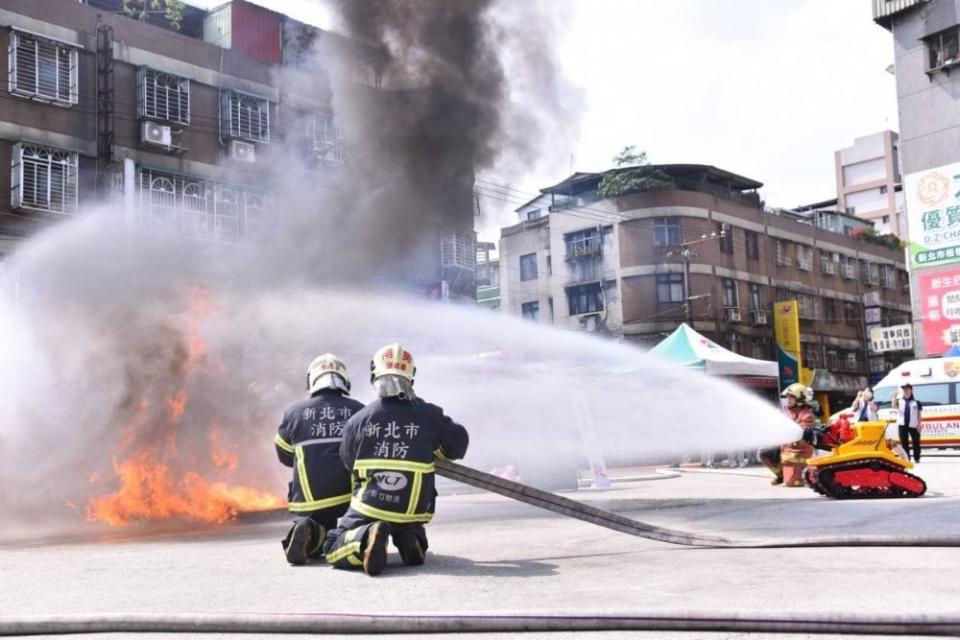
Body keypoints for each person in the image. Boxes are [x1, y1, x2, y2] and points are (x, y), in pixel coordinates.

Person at [323, 343, 469, 576]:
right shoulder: (430, 414)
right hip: (414, 508)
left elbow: (349, 462)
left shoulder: (359, 419)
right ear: (411, 377)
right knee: (406, 522)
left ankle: (365, 537)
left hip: (371, 506)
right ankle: (409, 538)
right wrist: (430, 450)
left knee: (332, 544)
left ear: (374, 375)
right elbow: (458, 445)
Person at [275, 353, 364, 565]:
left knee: (317, 529)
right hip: (349, 498)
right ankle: (348, 536)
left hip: (309, 500)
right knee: (353, 528)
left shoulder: (293, 413)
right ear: (344, 380)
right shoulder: (359, 410)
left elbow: (285, 456)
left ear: (311, 380)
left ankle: (309, 529)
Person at [777, 383, 817, 487]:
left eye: (791, 398)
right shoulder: (789, 412)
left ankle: (803, 475)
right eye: (788, 397)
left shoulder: (807, 415)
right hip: (787, 447)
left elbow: (802, 436)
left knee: (792, 483)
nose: (788, 400)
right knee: (764, 452)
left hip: (799, 451)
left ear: (800, 400)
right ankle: (781, 475)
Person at [896, 383, 923, 463]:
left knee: (916, 442)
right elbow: (893, 406)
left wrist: (919, 424)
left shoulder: (916, 402)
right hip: (902, 425)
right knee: (904, 442)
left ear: (911, 390)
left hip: (913, 425)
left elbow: (919, 414)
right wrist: (894, 397)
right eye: (904, 389)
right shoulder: (900, 401)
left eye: (907, 389)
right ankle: (907, 458)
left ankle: (917, 458)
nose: (905, 391)